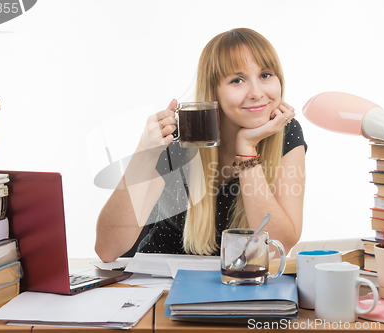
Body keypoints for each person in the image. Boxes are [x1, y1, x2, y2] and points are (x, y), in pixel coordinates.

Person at [95, 28, 306, 262]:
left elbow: (276, 247)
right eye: (237, 80)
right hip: (162, 284)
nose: (257, 93)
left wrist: (246, 148)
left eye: (265, 75)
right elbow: (108, 250)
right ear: (214, 89)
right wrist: (144, 153)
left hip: (232, 284)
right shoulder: (182, 135)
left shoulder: (285, 131)